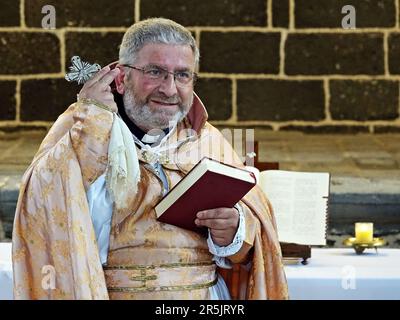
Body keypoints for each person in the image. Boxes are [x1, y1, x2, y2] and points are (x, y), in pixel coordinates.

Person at [12, 18, 288, 300]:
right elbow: (41, 207)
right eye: (155, 72)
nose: (169, 89)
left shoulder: (204, 139)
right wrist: (93, 127)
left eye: (182, 75)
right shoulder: (82, 128)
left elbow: (256, 235)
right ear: (121, 78)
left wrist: (234, 232)